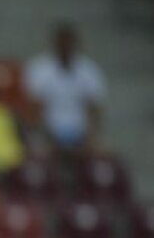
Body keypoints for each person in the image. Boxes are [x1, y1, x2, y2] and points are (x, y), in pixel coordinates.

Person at [24, 22, 107, 154]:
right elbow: (35, 109)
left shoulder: (89, 70)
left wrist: (92, 138)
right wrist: (43, 135)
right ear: (55, 43)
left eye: (68, 43)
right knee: (38, 150)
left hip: (80, 132)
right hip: (48, 132)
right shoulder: (39, 69)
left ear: (76, 44)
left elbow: (94, 108)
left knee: (101, 155)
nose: (65, 47)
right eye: (62, 42)